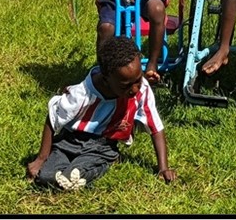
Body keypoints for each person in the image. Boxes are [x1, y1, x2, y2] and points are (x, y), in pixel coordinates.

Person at [26, 36, 175, 190]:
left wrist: (163, 168)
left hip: (101, 146)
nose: (135, 89)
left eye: (138, 80)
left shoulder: (141, 89)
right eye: (125, 86)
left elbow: (155, 127)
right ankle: (70, 177)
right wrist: (41, 158)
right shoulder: (82, 93)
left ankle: (89, 169)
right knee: (44, 178)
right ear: (106, 81)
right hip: (69, 142)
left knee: (75, 172)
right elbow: (53, 117)